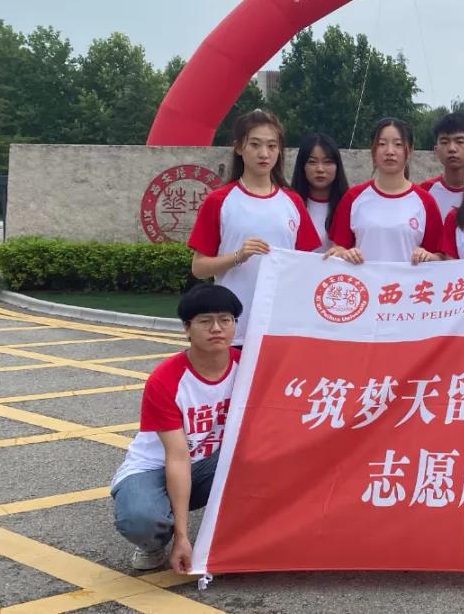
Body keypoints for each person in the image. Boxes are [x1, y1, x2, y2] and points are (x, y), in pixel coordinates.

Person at [111, 284, 244, 573]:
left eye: (225, 320)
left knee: (259, 457)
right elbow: (178, 456)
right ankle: (154, 544)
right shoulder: (166, 379)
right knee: (140, 518)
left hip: (210, 465)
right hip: (158, 467)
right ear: (187, 328)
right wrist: (182, 537)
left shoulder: (249, 367)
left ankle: (234, 538)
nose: (216, 328)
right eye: (205, 321)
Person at [188, 109, 321, 344]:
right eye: (255, 145)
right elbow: (199, 268)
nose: (264, 154)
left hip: (281, 327)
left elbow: (308, 265)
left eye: (272, 146)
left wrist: (340, 255)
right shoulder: (219, 201)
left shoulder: (292, 202)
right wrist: (238, 256)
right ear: (239, 148)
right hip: (234, 328)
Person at [326, 117, 442, 264]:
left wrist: (429, 257)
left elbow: (440, 258)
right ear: (373, 150)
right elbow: (337, 249)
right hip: (363, 279)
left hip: (407, 280)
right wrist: (344, 253)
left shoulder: (425, 202)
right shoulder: (353, 197)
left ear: (410, 151)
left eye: (398, 144)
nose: (390, 151)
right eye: (382, 144)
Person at [291, 132, 350, 252]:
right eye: (312, 162)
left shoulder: (351, 204)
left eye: (327, 162)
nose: (320, 169)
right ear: (302, 166)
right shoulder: (289, 204)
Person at [419, 111, 464, 215]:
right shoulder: (424, 191)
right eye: (444, 142)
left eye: (460, 142)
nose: (452, 149)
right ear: (436, 150)